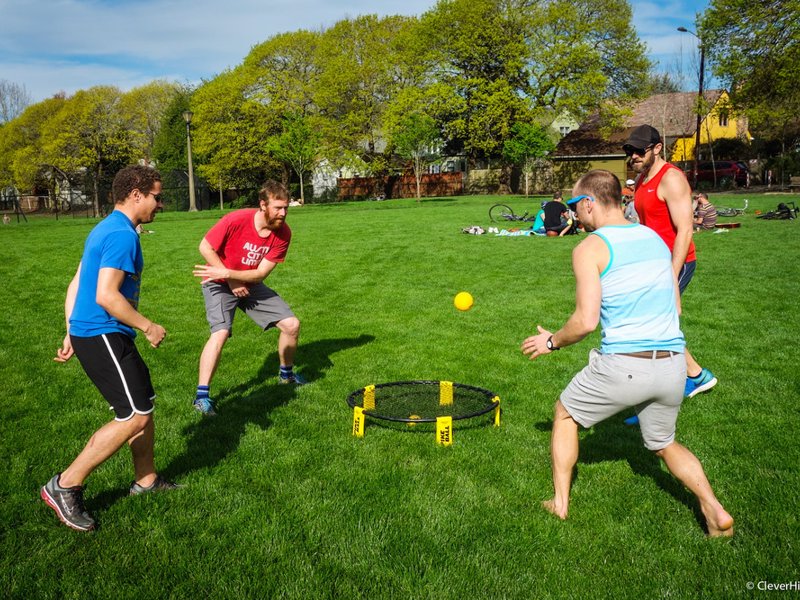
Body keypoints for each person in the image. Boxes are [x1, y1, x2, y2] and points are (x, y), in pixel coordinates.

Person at [520, 169, 734, 537]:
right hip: (671, 367)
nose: (573, 212)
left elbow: (586, 321)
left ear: (589, 202)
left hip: (624, 366)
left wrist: (551, 341)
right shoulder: (653, 237)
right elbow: (672, 295)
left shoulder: (589, 247)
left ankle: (559, 503)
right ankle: (714, 509)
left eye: (574, 205)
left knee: (565, 414)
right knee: (664, 444)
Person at [43, 165, 176, 532]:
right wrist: (148, 325)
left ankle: (145, 481)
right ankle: (65, 484)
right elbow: (105, 295)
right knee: (133, 415)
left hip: (93, 333)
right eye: (156, 196)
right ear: (136, 194)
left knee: (143, 404)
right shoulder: (122, 236)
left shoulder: (108, 227)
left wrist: (70, 329)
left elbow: (78, 279)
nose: (160, 204)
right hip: (103, 333)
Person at [191, 180, 305, 416]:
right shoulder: (236, 219)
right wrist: (229, 279)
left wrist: (235, 277)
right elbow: (205, 247)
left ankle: (286, 375)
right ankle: (201, 396)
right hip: (218, 283)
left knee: (291, 325)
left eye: (286, 208)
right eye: (278, 208)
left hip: (249, 283)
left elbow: (261, 272)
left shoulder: (283, 233)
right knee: (220, 333)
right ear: (263, 205)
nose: (283, 213)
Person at [624, 125, 716, 403]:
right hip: (654, 264)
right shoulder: (641, 180)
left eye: (639, 150)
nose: (634, 156)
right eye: (629, 151)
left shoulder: (672, 179)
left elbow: (685, 230)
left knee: (654, 323)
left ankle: (693, 376)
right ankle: (693, 375)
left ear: (657, 148)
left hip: (677, 262)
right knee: (652, 324)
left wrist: (671, 275)